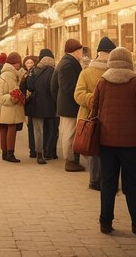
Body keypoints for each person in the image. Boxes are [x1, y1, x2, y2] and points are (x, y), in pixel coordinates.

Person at [94, 47, 136, 235]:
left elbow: (93, 105)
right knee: (133, 183)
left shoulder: (103, 81)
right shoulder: (135, 81)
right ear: (129, 61)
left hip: (107, 139)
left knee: (108, 182)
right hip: (132, 142)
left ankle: (105, 222)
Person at [74, 36, 116, 190]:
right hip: (92, 115)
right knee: (94, 148)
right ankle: (95, 180)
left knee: (105, 149)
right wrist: (93, 99)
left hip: (110, 116)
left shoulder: (115, 72)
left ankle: (103, 180)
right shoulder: (87, 72)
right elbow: (78, 94)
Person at [51, 38, 84, 172]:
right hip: (69, 105)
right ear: (76, 51)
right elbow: (68, 88)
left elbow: (54, 86)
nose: (82, 53)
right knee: (69, 134)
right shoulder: (68, 65)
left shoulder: (66, 62)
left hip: (66, 105)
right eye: (81, 50)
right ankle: (70, 161)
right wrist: (79, 98)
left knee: (69, 133)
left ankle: (73, 159)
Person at [26, 49, 56, 164]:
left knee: (38, 130)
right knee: (51, 129)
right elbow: (54, 88)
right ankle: (48, 152)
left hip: (36, 105)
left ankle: (39, 154)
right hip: (50, 105)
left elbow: (30, 87)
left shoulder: (34, 70)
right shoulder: (53, 71)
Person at [0, 52, 25, 162]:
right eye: (18, 63)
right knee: (9, 130)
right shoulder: (5, 76)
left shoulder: (14, 75)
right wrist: (12, 98)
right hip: (9, 109)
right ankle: (9, 154)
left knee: (5, 130)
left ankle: (5, 153)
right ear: (14, 63)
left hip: (10, 110)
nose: (19, 65)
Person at [20, 55, 38, 159]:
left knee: (33, 128)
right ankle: (32, 149)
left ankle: (34, 149)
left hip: (32, 104)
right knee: (31, 127)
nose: (29, 65)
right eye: (27, 63)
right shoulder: (25, 74)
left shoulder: (32, 74)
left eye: (31, 63)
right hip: (27, 104)